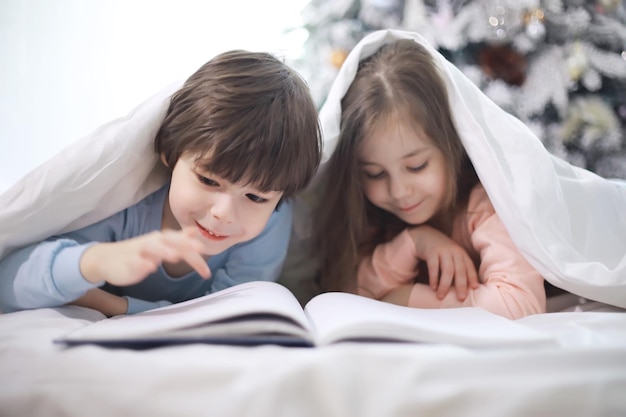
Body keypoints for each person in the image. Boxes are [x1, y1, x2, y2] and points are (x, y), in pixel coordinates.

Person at [0, 49, 322, 316]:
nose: (224, 212)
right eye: (209, 180)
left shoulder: (269, 224)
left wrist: (115, 305)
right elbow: (9, 283)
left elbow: (225, 314)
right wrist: (96, 262)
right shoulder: (127, 209)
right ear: (170, 153)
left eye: (256, 198)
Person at [313, 39, 545, 320]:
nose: (398, 191)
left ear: (454, 146)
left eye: (417, 166)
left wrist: (405, 299)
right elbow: (342, 294)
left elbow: (520, 305)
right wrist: (413, 243)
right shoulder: (369, 212)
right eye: (374, 173)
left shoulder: (486, 203)